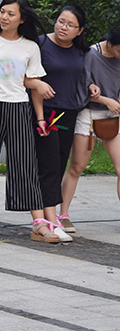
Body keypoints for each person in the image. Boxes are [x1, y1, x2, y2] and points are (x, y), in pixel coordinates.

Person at [0, 0, 59, 243]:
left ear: (22, 19)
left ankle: (38, 223)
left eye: (11, 13)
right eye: (2, 12)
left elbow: (28, 81)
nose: (4, 17)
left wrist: (40, 109)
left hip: (19, 108)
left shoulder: (30, 47)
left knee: (25, 164)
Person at [31, 6, 97, 242]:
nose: (63, 27)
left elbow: (81, 76)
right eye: (61, 21)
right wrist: (40, 116)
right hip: (44, 112)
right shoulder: (40, 44)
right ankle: (47, 220)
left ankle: (47, 216)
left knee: (59, 164)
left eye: (70, 25)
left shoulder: (81, 51)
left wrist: (91, 86)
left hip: (69, 112)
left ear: (79, 31)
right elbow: (30, 78)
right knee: (48, 165)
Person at [60, 24, 120, 230]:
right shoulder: (91, 54)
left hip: (113, 115)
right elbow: (81, 89)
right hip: (90, 114)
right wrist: (105, 100)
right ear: (110, 42)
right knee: (76, 168)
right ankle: (63, 215)